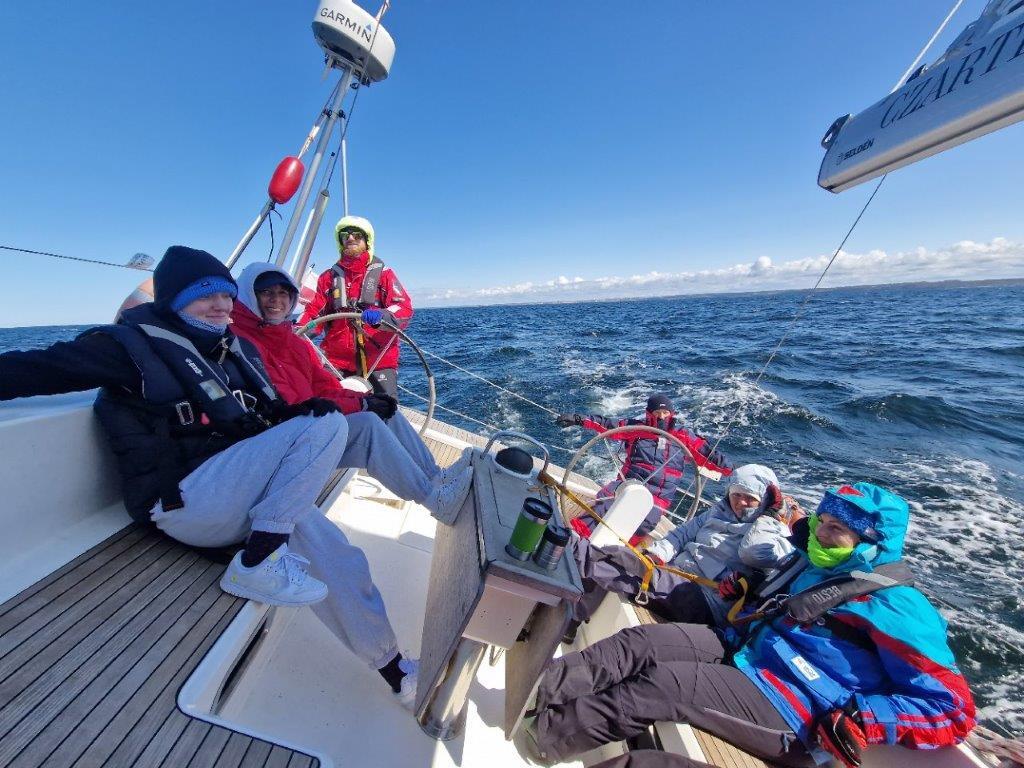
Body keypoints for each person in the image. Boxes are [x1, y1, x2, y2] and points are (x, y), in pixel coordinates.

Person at [0, 246, 421, 709]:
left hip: (233, 488)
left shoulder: (228, 349)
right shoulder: (128, 348)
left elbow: (264, 415)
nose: (220, 305)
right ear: (174, 299)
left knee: (341, 556)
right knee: (326, 427)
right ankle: (259, 561)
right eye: (204, 295)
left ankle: (394, 669)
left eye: (225, 294)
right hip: (182, 501)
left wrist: (302, 411)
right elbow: (39, 368)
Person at [518, 483, 977, 767]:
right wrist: (746, 587)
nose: (821, 533)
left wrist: (865, 719)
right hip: (748, 651)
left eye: (837, 529)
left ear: (871, 542)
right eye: (822, 522)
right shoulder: (815, 562)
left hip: (797, 711)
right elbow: (780, 596)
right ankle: (533, 694)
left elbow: (952, 708)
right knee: (639, 642)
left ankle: (542, 740)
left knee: (664, 685)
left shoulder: (898, 606)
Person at [232, 262, 472, 522]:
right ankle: (435, 501)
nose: (276, 300)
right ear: (249, 296)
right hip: (281, 437)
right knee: (368, 424)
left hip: (310, 425)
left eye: (283, 293)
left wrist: (366, 400)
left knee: (385, 409)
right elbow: (292, 404)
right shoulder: (243, 343)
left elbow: (326, 387)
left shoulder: (292, 342)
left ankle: (435, 476)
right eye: (266, 292)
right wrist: (362, 407)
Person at [571, 463, 799, 628]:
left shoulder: (775, 534)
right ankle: (573, 617)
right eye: (736, 494)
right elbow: (681, 534)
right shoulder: (718, 511)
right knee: (615, 554)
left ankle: (567, 552)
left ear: (766, 501)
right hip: (674, 573)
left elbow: (752, 553)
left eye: (750, 498)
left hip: (705, 599)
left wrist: (768, 518)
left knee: (618, 566)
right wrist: (657, 554)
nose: (740, 502)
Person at [557, 392, 732, 540]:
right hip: (629, 483)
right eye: (657, 412)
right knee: (608, 504)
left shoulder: (684, 437)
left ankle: (614, 550)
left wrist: (729, 469)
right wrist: (579, 419)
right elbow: (606, 424)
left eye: (665, 412)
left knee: (646, 522)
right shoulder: (636, 428)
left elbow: (708, 455)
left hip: (659, 496)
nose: (661, 417)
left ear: (671, 414)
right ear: (649, 413)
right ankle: (573, 537)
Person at [298, 215, 412, 398]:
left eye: (357, 235)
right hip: (336, 362)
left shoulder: (384, 275)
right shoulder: (328, 278)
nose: (350, 238)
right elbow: (314, 313)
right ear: (340, 241)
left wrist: (381, 316)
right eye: (345, 235)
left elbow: (403, 309)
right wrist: (296, 331)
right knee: (326, 406)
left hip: (379, 362)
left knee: (385, 408)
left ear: (367, 241)